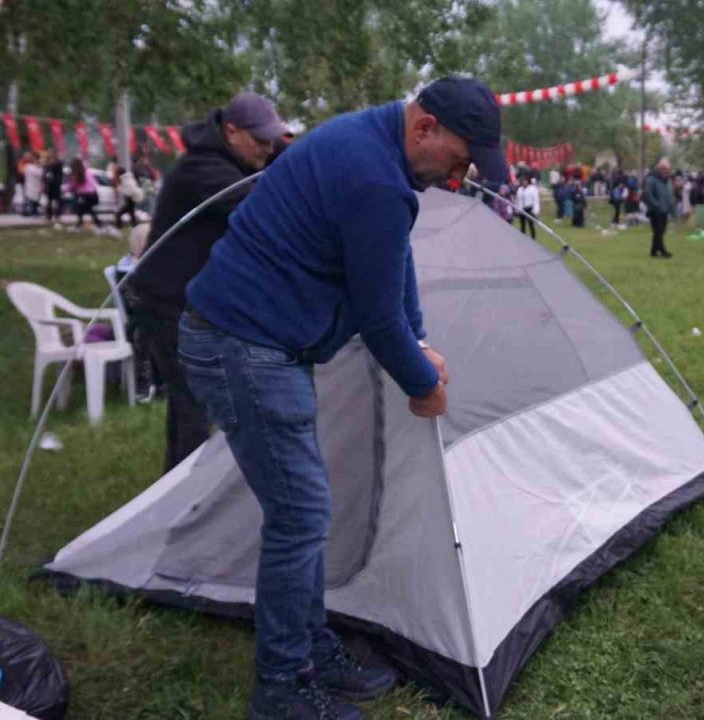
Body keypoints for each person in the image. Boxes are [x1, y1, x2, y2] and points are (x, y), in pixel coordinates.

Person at [180, 76, 505, 720]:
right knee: (301, 512)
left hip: (256, 340)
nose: (458, 178)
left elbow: (391, 268)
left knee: (305, 508)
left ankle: (310, 647)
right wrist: (424, 387)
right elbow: (378, 320)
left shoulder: (374, 148)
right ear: (425, 129)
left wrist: (418, 337)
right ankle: (282, 685)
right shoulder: (374, 178)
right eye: (461, 160)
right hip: (242, 344)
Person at [127, 92, 287, 474]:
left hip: (188, 301)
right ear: (231, 131)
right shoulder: (205, 168)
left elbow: (285, 156)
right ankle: (182, 500)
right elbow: (263, 207)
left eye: (272, 140)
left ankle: (176, 489)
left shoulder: (233, 155)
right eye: (260, 141)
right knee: (195, 407)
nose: (268, 149)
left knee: (194, 404)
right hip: (166, 304)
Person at [643, 158, 676, 258]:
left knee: (660, 231)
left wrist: (671, 204)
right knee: (658, 231)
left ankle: (653, 251)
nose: (666, 171)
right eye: (664, 169)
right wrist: (656, 205)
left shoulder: (667, 180)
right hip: (655, 210)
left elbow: (669, 193)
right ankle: (663, 251)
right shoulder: (651, 179)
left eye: (667, 169)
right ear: (659, 169)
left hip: (665, 209)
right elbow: (648, 195)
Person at [64, 157, 104, 232]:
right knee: (83, 210)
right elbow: (93, 183)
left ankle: (97, 225)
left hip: (85, 195)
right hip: (93, 194)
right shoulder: (86, 172)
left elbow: (72, 185)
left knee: (85, 210)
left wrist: (63, 189)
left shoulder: (78, 174)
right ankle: (82, 225)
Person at [42, 150, 64, 222]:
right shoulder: (47, 164)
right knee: (49, 200)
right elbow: (45, 174)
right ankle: (49, 215)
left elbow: (60, 175)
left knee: (57, 200)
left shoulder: (58, 163)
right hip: (49, 185)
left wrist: (58, 182)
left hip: (56, 184)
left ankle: (57, 214)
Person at [21, 152, 44, 217]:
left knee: (36, 199)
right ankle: (26, 211)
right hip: (30, 184)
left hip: (37, 185)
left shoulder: (39, 167)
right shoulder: (28, 166)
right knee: (29, 198)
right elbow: (27, 172)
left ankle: (34, 211)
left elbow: (41, 174)